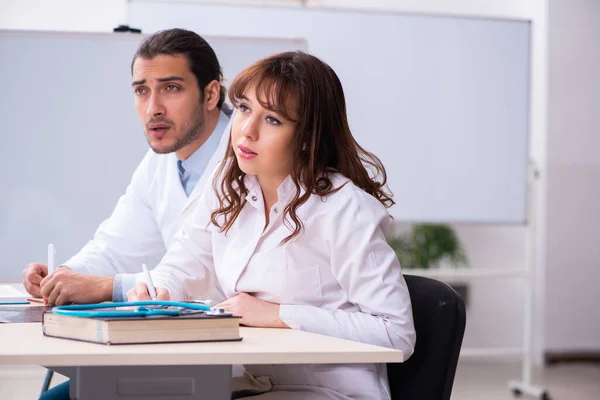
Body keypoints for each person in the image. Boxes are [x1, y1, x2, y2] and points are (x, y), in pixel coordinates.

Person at [129, 51, 416, 400]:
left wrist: (279, 315)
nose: (247, 131)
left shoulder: (345, 209)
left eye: (273, 120)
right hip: (256, 383)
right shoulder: (227, 187)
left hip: (329, 392)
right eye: (245, 109)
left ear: (308, 135)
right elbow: (186, 261)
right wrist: (158, 290)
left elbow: (397, 333)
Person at [22, 28, 231, 306]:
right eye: (142, 91)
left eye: (171, 88)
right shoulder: (160, 161)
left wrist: (105, 287)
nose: (152, 109)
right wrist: (63, 275)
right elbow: (115, 250)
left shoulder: (249, 157)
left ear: (210, 94)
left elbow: (203, 278)